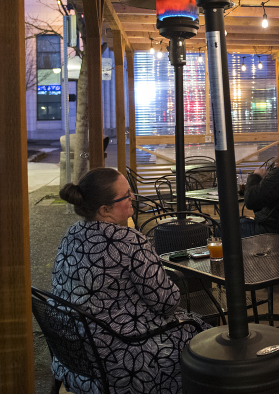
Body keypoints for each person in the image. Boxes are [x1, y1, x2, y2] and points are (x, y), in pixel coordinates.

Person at [52, 167, 208, 394]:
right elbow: (167, 302)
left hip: (73, 354)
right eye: (126, 195)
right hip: (119, 358)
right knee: (204, 336)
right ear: (105, 209)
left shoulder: (73, 233)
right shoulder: (127, 240)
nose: (133, 197)